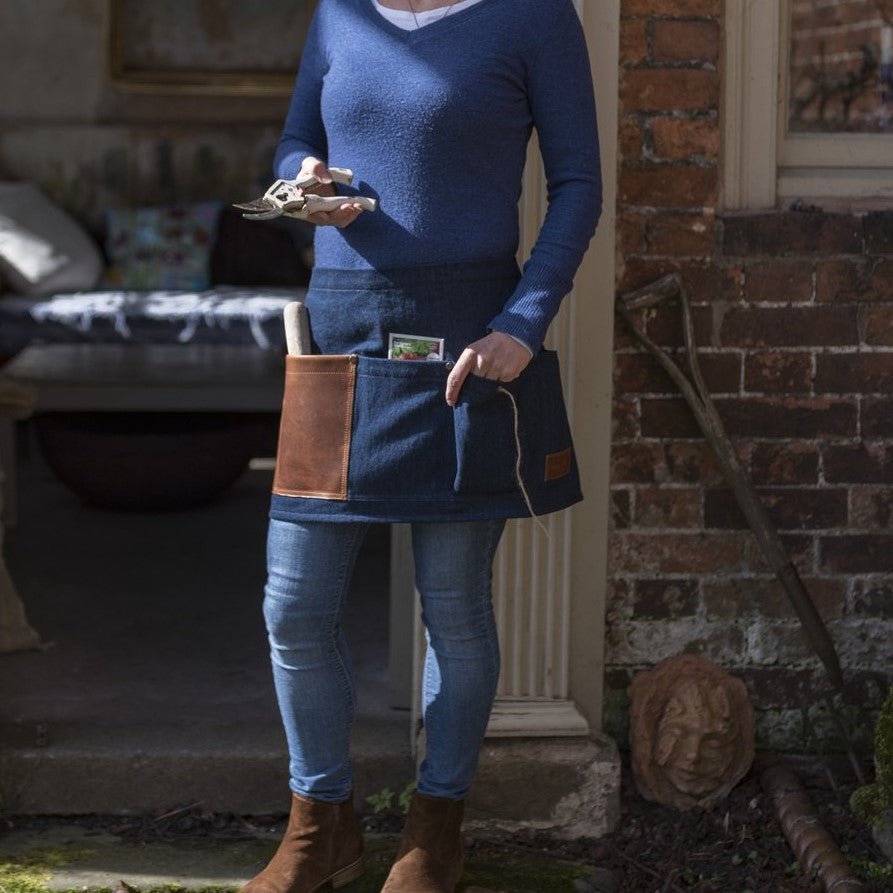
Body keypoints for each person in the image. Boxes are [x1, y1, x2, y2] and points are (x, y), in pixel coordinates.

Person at [241, 1, 602, 891]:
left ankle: (435, 832)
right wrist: (301, 180)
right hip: (339, 328)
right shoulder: (338, 13)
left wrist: (522, 323)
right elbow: (295, 139)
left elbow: (578, 184)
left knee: (455, 608)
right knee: (294, 604)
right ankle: (319, 830)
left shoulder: (533, 16)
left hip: (468, 335)